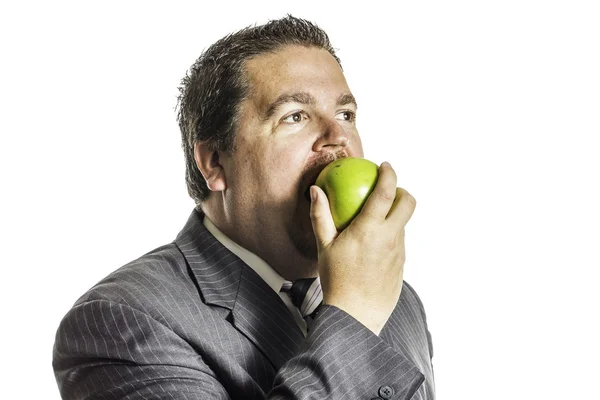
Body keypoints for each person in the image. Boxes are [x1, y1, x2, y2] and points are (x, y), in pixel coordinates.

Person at [52, 15, 435, 399]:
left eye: (345, 114)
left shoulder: (396, 300)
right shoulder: (120, 320)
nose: (338, 137)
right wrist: (353, 315)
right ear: (215, 162)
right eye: (295, 116)